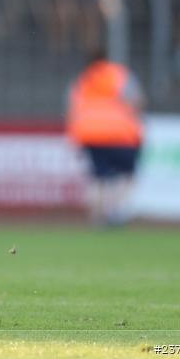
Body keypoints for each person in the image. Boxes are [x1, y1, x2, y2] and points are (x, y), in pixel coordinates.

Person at [65, 47, 144, 226]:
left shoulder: (82, 80)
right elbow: (137, 100)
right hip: (121, 134)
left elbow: (71, 109)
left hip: (90, 134)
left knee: (98, 176)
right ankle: (115, 212)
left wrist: (74, 136)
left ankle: (97, 216)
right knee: (127, 174)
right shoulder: (119, 75)